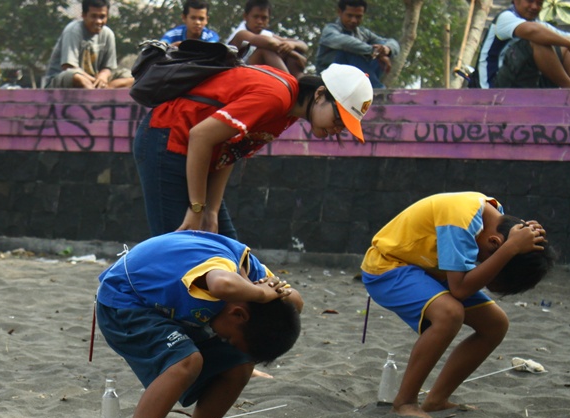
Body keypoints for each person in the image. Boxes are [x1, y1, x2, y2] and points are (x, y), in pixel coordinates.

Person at [96, 231, 302, 418]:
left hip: (166, 307)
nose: (222, 340)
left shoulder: (256, 277)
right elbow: (222, 283)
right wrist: (261, 293)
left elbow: (296, 301)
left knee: (240, 363)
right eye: (228, 338)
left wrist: (275, 291)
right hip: (124, 301)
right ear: (238, 314)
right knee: (187, 362)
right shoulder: (225, 268)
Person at [360, 192, 556, 418]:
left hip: (430, 270)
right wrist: (510, 249)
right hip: (387, 266)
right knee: (450, 314)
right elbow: (460, 289)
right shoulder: (461, 219)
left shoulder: (494, 219)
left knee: (495, 324)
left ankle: (436, 400)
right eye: (486, 261)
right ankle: (404, 402)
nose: (481, 263)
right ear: (495, 243)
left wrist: (517, 244)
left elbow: (464, 281)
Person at [134, 62, 373, 239]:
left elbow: (230, 151)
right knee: (176, 249)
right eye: (339, 118)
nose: (338, 129)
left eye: (345, 126)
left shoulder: (288, 113)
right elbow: (200, 136)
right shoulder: (277, 97)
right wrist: (197, 207)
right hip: (167, 140)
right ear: (320, 94)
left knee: (227, 248)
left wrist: (212, 211)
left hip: (198, 155)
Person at [473, 0, 570, 89]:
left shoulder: (538, 24)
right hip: (493, 86)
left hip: (522, 82)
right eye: (530, 1)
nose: (535, 7)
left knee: (567, 48)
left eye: (539, 3)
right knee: (539, 40)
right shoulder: (506, 17)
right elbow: (532, 31)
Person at [43, 0, 133, 89]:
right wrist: (95, 81)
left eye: (102, 17)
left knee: (134, 78)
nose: (98, 21)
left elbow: (108, 68)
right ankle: (95, 95)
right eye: (94, 16)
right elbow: (69, 67)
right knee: (77, 77)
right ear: (84, 15)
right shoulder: (73, 31)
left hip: (95, 80)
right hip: (62, 80)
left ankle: (105, 91)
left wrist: (103, 77)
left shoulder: (108, 34)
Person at [316, 0, 399, 88]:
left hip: (357, 81)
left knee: (381, 50)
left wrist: (386, 50)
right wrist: (373, 51)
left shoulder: (364, 33)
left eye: (358, 17)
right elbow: (346, 43)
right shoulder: (330, 30)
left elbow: (392, 42)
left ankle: (370, 87)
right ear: (340, 12)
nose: (354, 20)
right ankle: (375, 88)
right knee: (351, 51)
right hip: (331, 81)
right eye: (350, 15)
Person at [226, 0, 309, 78]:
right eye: (256, 17)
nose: (260, 21)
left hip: (255, 73)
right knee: (266, 50)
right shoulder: (241, 33)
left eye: (264, 18)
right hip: (235, 76)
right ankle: (289, 83)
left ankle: (300, 84)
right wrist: (296, 55)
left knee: (291, 51)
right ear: (245, 17)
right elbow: (270, 43)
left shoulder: (265, 33)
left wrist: (293, 45)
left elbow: (303, 45)